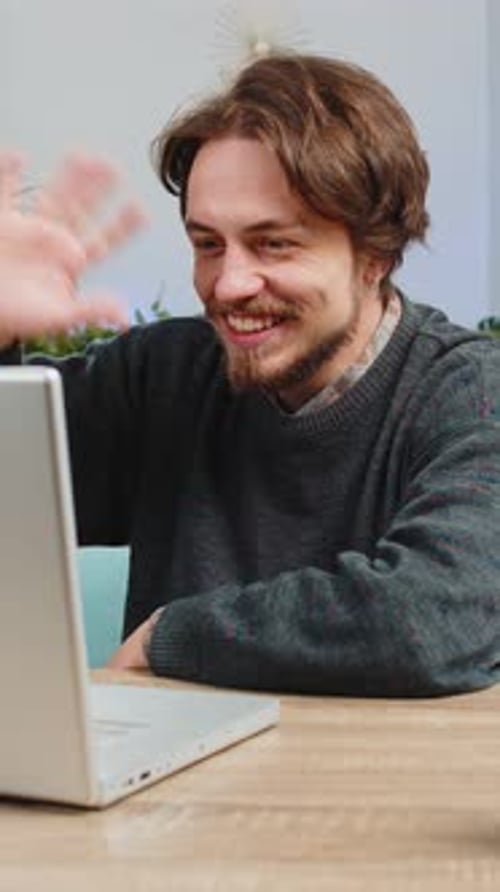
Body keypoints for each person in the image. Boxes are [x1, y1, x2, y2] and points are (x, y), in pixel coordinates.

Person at [1, 53, 500, 697]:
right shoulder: (162, 378)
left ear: (375, 253)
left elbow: (431, 617)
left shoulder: (470, 391)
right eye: (208, 244)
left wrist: (170, 636)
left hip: (391, 787)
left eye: (275, 243)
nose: (230, 284)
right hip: (183, 796)